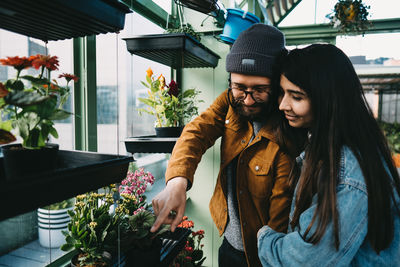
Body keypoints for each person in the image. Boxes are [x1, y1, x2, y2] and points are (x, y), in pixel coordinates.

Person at [150, 24, 298, 267]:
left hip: (264, 255)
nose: (248, 99)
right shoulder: (229, 101)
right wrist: (177, 181)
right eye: (240, 87)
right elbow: (196, 132)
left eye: (260, 90)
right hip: (229, 244)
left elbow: (280, 220)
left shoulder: (290, 132)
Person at [257, 44, 400, 266]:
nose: (283, 105)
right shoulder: (333, 146)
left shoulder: (349, 174)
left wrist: (264, 238)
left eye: (296, 96)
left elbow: (306, 261)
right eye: (282, 93)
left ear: (327, 99)